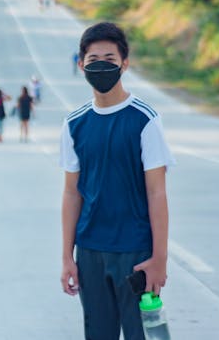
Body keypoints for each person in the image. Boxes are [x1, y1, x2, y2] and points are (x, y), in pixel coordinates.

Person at [59, 22, 175, 340]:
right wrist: (68, 257)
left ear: (125, 63)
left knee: (143, 335)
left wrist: (159, 259)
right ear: (81, 65)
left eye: (110, 59)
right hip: (91, 252)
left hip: (136, 253)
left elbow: (157, 193)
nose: (101, 65)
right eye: (93, 59)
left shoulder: (144, 120)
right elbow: (72, 194)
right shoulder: (74, 124)